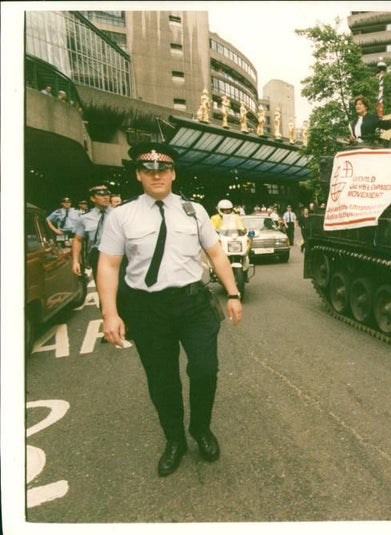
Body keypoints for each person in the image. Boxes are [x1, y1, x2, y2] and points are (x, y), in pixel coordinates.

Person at [97, 141, 243, 477]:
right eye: (148, 171)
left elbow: (216, 254)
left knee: (205, 370)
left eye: (163, 169)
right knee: (162, 380)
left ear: (173, 173)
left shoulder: (195, 211)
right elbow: (108, 264)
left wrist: (233, 293)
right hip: (148, 310)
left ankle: (201, 429)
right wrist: (110, 313)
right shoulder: (122, 216)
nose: (157, 175)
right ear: (139, 175)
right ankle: (175, 439)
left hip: (193, 304)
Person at [72, 185, 113, 280]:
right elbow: (78, 240)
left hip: (119, 254)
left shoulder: (119, 214)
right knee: (102, 287)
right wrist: (75, 261)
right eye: (101, 195)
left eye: (107, 195)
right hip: (97, 255)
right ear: (92, 198)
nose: (106, 197)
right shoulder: (84, 218)